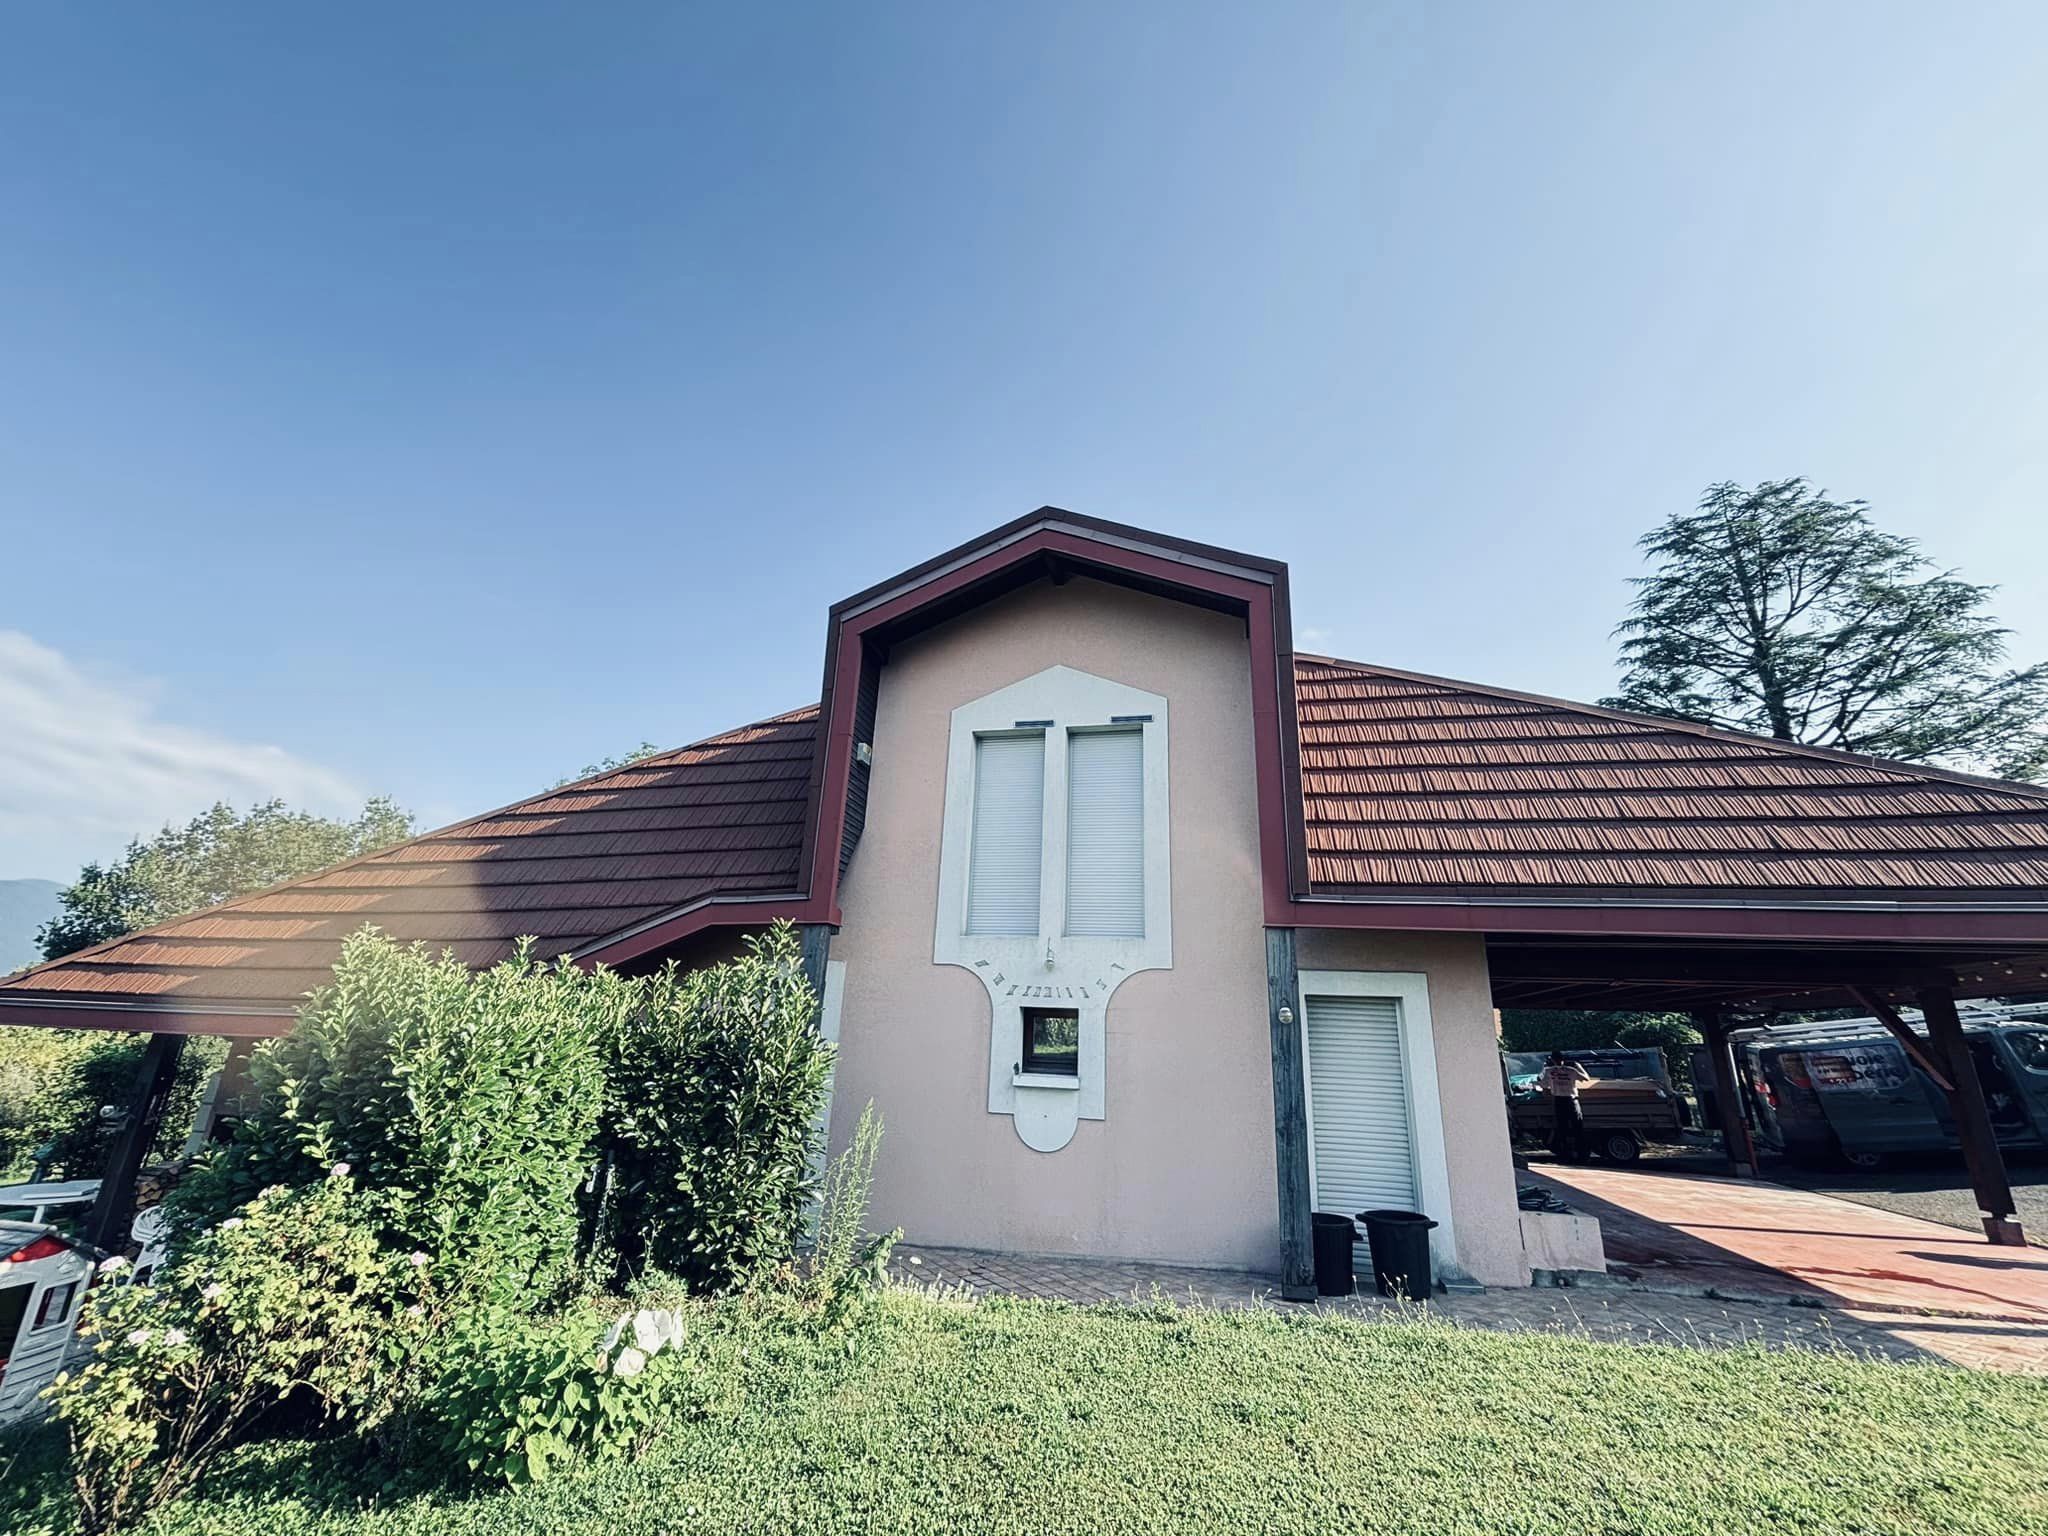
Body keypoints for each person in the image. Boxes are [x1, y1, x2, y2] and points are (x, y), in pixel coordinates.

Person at [1540, 1050, 1594, 1162]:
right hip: (1571, 1100)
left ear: (1552, 1060)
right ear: (1563, 1059)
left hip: (1559, 1101)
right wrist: (1578, 1067)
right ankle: (1582, 1155)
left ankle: (1565, 1155)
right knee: (1578, 1128)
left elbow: (1542, 1084)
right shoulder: (1571, 1070)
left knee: (1562, 1129)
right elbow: (1586, 1078)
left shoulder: (1548, 1071)